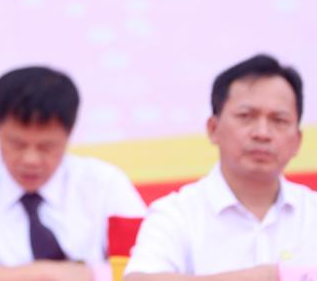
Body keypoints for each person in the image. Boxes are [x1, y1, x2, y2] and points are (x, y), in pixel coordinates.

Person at [0, 66, 146, 281]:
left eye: (46, 147)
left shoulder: (105, 183)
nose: (31, 160)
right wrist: (52, 274)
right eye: (17, 144)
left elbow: (146, 269)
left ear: (68, 135)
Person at [124, 54, 316, 281]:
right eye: (246, 116)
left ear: (297, 141)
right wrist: (268, 276)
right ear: (213, 128)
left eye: (279, 120)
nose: (262, 133)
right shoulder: (176, 214)